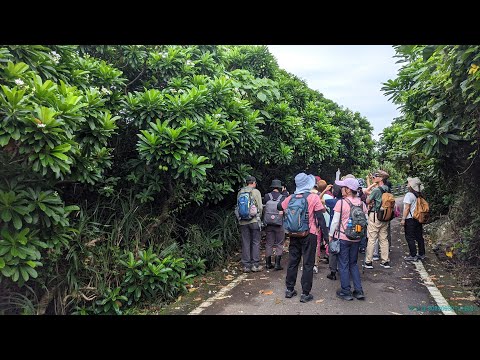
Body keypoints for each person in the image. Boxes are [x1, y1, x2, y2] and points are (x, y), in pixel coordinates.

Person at [277, 173, 326, 303]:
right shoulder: (313, 197)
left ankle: (289, 289)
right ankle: (305, 294)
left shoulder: (291, 197)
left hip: (294, 234)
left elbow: (279, 206)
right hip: (310, 234)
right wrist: (326, 237)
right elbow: (320, 218)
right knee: (308, 263)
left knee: (293, 261)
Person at [329, 177, 367, 300]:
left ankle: (346, 291)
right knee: (353, 264)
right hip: (356, 238)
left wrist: (330, 236)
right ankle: (359, 290)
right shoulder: (361, 203)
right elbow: (365, 221)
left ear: (348, 190)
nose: (341, 189)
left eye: (343, 187)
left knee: (343, 264)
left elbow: (335, 222)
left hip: (343, 237)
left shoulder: (341, 203)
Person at [364, 170, 391, 269]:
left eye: (376, 176)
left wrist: (372, 185)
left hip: (375, 216)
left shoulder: (376, 190)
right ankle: (385, 261)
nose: (374, 177)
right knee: (384, 239)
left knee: (372, 238)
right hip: (385, 216)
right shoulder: (387, 189)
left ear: (380, 178)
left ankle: (368, 262)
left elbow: (367, 200)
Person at [237, 176, 263, 273]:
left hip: (243, 221)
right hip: (254, 221)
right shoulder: (256, 192)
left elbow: (238, 207)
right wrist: (259, 217)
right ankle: (255, 265)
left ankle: (246, 266)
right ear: (254, 183)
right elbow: (260, 207)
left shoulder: (240, 192)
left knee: (245, 242)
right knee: (255, 242)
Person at [401, 177, 426, 261]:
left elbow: (407, 208)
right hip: (417, 218)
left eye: (409, 183)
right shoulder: (418, 195)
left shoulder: (409, 195)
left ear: (411, 186)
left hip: (410, 219)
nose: (408, 184)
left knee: (410, 237)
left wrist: (403, 219)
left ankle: (413, 255)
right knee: (419, 236)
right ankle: (422, 254)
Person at [263, 179, 286, 271]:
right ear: (280, 187)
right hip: (279, 223)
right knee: (279, 243)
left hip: (268, 223)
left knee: (269, 243)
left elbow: (264, 209)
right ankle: (277, 264)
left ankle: (268, 264)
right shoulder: (283, 197)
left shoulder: (266, 196)